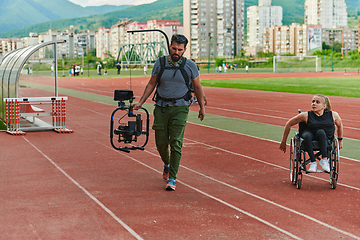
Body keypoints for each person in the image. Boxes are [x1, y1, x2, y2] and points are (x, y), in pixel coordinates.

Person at [133, 34, 205, 191]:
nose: (176, 52)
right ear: (169, 47)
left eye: (180, 49)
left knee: (176, 142)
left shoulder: (190, 66)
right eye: (174, 48)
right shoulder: (160, 63)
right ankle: (167, 164)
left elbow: (198, 87)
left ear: (185, 50)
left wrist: (201, 106)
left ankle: (172, 177)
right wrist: (141, 102)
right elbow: (152, 83)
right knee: (160, 143)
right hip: (161, 107)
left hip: (180, 108)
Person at [279, 94, 343, 172]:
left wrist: (340, 140)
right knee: (307, 135)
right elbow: (288, 124)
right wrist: (283, 141)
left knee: (321, 132)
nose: (314, 104)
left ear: (324, 106)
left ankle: (324, 160)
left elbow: (340, 126)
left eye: (317, 102)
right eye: (313, 101)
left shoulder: (333, 115)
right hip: (309, 137)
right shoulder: (305, 115)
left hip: (325, 139)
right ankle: (313, 162)